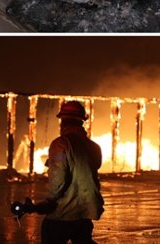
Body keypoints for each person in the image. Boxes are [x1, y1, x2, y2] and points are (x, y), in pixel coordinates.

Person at [26, 101, 104, 244]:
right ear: (81, 121)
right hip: (85, 214)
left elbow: (58, 180)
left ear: (63, 121)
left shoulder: (61, 144)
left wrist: (48, 202)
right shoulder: (94, 147)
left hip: (62, 214)